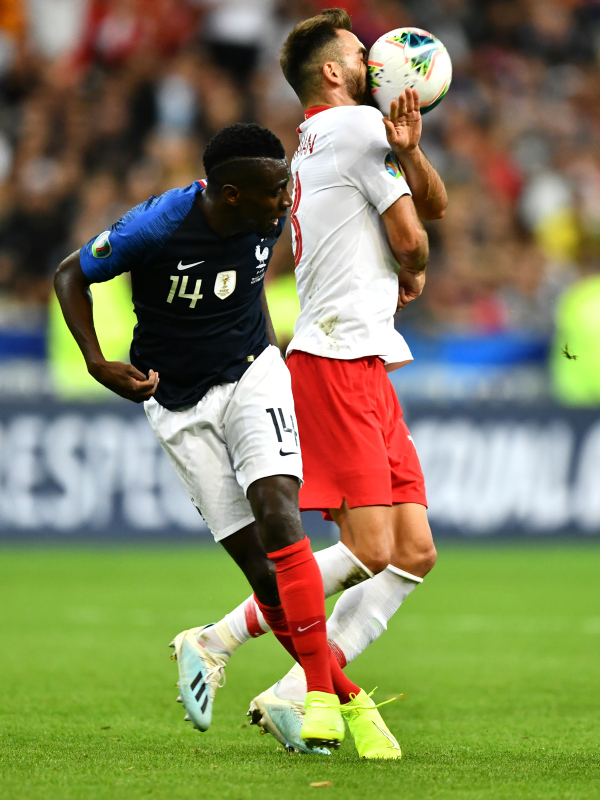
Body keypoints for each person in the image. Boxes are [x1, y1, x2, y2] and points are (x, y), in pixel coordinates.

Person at [53, 121, 403, 755]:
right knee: (264, 577)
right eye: (275, 191)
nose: (285, 200)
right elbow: (69, 275)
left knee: (280, 514)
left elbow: (250, 284)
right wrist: (96, 361)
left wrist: (270, 351)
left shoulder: (266, 212)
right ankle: (340, 694)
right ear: (232, 193)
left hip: (251, 374)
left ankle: (323, 701)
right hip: (176, 402)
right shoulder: (158, 225)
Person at [190, 10, 447, 759]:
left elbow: (428, 204)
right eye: (361, 52)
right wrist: (410, 265)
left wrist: (410, 153)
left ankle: (290, 690)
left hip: (361, 356)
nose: (376, 60)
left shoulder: (320, 139)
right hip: (336, 361)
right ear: (332, 71)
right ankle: (219, 638)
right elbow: (415, 237)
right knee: (370, 547)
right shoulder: (358, 127)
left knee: (413, 550)